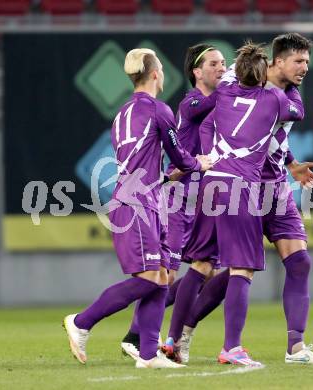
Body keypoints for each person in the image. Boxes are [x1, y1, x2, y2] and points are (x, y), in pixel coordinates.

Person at [178, 33, 313, 365]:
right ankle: (180, 333)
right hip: (235, 185)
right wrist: (209, 159)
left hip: (273, 186)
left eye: (307, 62)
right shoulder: (238, 77)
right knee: (216, 270)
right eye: (299, 61)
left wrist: (290, 163)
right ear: (277, 61)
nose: (305, 68)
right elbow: (206, 117)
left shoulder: (289, 93)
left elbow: (272, 133)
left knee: (299, 261)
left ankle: (296, 347)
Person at [63, 48, 212, 369]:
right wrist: (201, 162)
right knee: (149, 279)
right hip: (138, 204)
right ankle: (81, 321)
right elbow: (181, 157)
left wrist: (164, 175)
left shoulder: (121, 115)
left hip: (141, 198)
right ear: (156, 74)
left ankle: (147, 355)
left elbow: (137, 162)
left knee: (160, 278)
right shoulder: (159, 110)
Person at [120, 43, 226, 359]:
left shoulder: (218, 107)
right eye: (214, 64)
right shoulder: (192, 102)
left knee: (201, 272)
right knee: (166, 274)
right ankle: (136, 336)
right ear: (196, 71)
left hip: (204, 200)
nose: (221, 69)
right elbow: (212, 106)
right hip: (179, 197)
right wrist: (240, 82)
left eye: (224, 63)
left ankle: (156, 336)